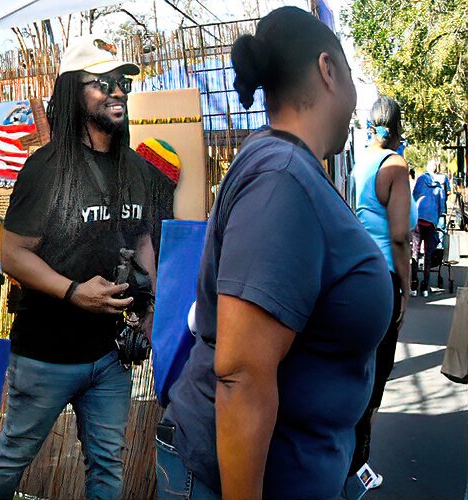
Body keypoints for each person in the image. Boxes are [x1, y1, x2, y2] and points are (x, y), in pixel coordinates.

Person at [160, 7, 388, 499]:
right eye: (352, 77)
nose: (355, 103)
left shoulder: (285, 164)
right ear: (328, 70)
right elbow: (241, 374)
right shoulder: (282, 178)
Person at [0, 34, 169, 500]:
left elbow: (144, 240)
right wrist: (74, 292)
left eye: (121, 82)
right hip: (45, 352)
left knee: (108, 463)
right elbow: (13, 254)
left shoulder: (138, 169)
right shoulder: (46, 168)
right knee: (11, 458)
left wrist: (148, 312)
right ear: (74, 92)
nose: (117, 90)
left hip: (110, 355)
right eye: (102, 82)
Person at [347, 96, 413, 489]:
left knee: (357, 368)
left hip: (358, 274)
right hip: (385, 277)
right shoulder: (396, 166)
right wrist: (406, 288)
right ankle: (359, 470)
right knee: (378, 375)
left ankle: (347, 462)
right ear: (399, 127)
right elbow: (401, 236)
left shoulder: (361, 164)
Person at [413, 158, 451, 287]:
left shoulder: (420, 179)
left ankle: (413, 282)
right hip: (431, 222)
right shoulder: (440, 184)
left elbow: (415, 195)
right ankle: (425, 285)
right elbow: (442, 205)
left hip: (418, 220)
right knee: (428, 254)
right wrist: (440, 217)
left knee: (415, 252)